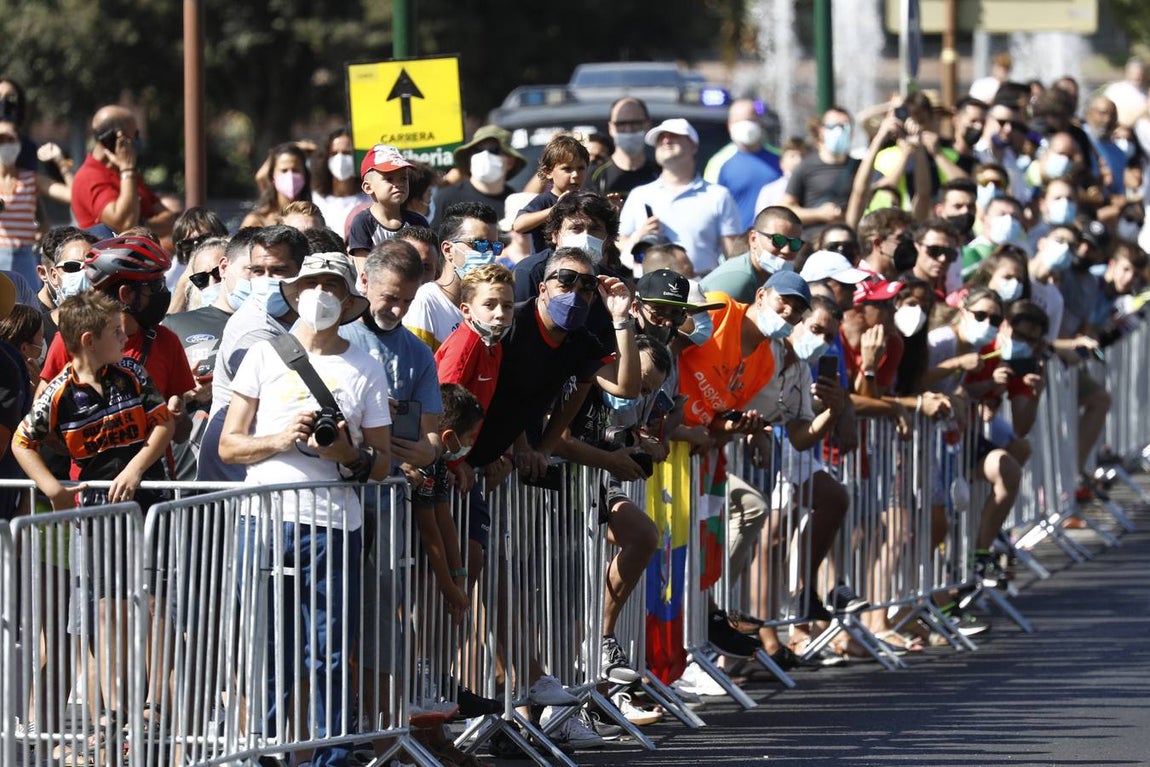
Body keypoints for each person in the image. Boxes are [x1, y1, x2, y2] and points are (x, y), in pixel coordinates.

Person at [219, 250, 391, 767]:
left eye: (332, 285)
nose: (321, 294)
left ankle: (332, 756)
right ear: (294, 293)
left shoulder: (365, 366)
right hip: (264, 518)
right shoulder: (264, 355)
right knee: (269, 647)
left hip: (334, 523)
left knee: (332, 649)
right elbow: (230, 445)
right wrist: (277, 437)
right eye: (312, 283)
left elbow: (381, 464)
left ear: (347, 299)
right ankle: (267, 753)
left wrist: (347, 454)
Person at [39, 235, 194, 458]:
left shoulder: (166, 341)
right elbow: (38, 426)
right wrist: (84, 454)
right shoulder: (69, 342)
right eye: (155, 285)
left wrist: (178, 418)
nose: (163, 292)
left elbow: (180, 434)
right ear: (126, 295)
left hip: (153, 487)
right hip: (89, 488)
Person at [198, 225, 308, 481]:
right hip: (237, 475)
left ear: (302, 273)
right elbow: (290, 395)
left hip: (271, 469)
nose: (266, 280)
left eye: (278, 270)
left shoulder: (299, 319)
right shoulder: (252, 328)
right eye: (258, 271)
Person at [163, 233, 249, 479]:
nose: (211, 282)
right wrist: (184, 392)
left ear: (227, 267)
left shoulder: (260, 324)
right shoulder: (174, 325)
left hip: (246, 462)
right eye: (200, 278)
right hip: (189, 466)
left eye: (216, 273)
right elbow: (153, 395)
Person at [619, 118, 742, 275]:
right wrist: (639, 235)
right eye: (660, 137)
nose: (666, 140)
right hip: (648, 292)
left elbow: (733, 256)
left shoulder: (718, 196)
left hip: (701, 292)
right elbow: (619, 243)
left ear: (693, 146)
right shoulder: (639, 194)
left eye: (674, 135)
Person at [404, 202, 500, 351]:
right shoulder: (426, 301)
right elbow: (416, 368)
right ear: (448, 250)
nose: (488, 254)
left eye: (494, 247)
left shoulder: (488, 307)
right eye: (478, 244)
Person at [70, 105, 174, 236]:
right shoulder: (88, 176)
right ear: (117, 138)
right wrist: (127, 170)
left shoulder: (130, 177)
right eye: (134, 135)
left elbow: (169, 220)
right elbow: (124, 223)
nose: (136, 141)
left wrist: (139, 225)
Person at [0, 119, 72, 288]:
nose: (5, 145)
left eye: (10, 139)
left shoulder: (31, 179)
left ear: (19, 143)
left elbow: (74, 195)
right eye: (0, 140)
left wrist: (61, 161)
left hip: (24, 257)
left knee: (28, 311)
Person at [703, 98, 783, 230]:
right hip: (737, 243)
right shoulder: (718, 163)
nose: (746, 126)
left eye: (751, 120)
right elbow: (710, 208)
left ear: (760, 122)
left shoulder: (780, 159)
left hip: (775, 241)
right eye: (739, 121)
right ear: (730, 125)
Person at [700, 205, 805, 303]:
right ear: (753, 239)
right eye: (778, 240)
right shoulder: (737, 282)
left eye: (795, 243)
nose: (786, 250)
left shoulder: (779, 280)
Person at [780, 105, 860, 231]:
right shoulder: (805, 166)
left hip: (848, 241)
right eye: (832, 126)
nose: (839, 131)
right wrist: (818, 214)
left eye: (844, 126)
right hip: (813, 241)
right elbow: (785, 209)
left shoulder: (860, 166)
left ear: (852, 132)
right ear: (821, 130)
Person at [431, 125, 525, 230]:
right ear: (469, 158)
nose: (485, 154)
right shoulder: (446, 198)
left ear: (510, 162)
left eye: (494, 150)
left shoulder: (515, 203)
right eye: (477, 150)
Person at [347, 144, 428, 263]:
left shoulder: (418, 222)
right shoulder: (363, 223)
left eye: (403, 178)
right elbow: (365, 273)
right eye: (389, 179)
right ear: (368, 187)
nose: (399, 184)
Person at [512, 133, 590, 254]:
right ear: (548, 172)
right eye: (567, 169)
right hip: (547, 268)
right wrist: (555, 209)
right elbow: (519, 225)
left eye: (581, 168)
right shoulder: (545, 200)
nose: (575, 175)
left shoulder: (587, 201)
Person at [589, 97, 659, 203]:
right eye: (621, 124)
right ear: (611, 128)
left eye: (635, 123)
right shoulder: (594, 176)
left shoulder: (660, 175)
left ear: (647, 125)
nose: (629, 130)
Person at [311, 127, 371, 237]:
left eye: (347, 153)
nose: (340, 158)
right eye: (334, 153)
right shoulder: (315, 199)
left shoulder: (371, 198)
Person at [241, 142, 312, 228]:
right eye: (284, 170)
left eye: (295, 170)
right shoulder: (257, 220)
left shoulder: (312, 219)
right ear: (272, 177)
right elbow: (260, 177)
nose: (290, 176)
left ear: (305, 175)